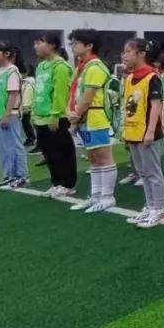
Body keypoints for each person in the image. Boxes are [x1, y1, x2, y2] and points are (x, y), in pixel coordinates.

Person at [66, 29, 116, 213]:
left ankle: (107, 196)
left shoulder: (95, 67)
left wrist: (75, 116)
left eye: (76, 42)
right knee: (93, 158)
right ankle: (95, 195)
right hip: (84, 118)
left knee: (103, 156)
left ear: (89, 46)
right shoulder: (81, 67)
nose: (72, 46)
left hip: (95, 117)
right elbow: (75, 94)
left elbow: (87, 97)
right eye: (71, 42)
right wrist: (72, 114)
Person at [119, 38, 164, 227]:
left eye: (128, 51)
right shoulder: (130, 77)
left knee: (153, 171)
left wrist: (150, 131)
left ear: (141, 54)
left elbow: (156, 106)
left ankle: (159, 209)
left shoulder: (152, 77)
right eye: (124, 52)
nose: (124, 55)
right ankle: (150, 205)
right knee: (142, 172)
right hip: (133, 132)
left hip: (147, 134)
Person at [32, 32, 77, 198]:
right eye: (35, 43)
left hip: (56, 117)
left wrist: (55, 115)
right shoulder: (41, 65)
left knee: (61, 151)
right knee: (48, 152)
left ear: (52, 45)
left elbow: (60, 93)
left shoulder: (61, 66)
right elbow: (40, 91)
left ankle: (68, 184)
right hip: (40, 117)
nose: (36, 46)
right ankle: (56, 182)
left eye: (39, 42)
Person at [0, 42, 28, 189]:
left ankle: (21, 176)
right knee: (2, 147)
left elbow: (13, 94)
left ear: (6, 54)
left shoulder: (12, 71)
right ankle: (9, 176)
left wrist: (6, 114)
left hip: (9, 114)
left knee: (14, 145)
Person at [20, 64, 37, 148]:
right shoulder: (26, 82)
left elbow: (28, 95)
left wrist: (26, 106)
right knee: (26, 123)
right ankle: (30, 138)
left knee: (27, 123)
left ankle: (31, 139)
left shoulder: (28, 82)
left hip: (28, 107)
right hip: (27, 106)